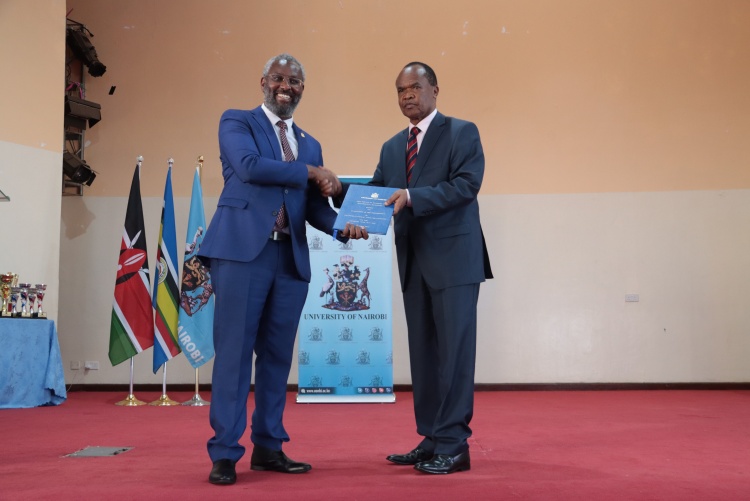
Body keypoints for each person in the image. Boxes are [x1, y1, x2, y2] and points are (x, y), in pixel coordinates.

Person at [199, 53, 366, 486]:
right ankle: (225, 452)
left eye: (294, 81)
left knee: (276, 357)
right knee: (234, 354)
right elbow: (250, 168)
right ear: (263, 82)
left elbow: (313, 206)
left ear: (302, 89)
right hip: (241, 255)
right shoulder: (237, 122)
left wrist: (342, 227)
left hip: (289, 260)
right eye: (277, 78)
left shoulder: (310, 144)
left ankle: (269, 446)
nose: (285, 87)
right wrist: (310, 171)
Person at [334, 61, 492, 474]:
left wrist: (412, 197)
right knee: (424, 355)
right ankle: (432, 437)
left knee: (454, 355)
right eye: (401, 90)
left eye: (415, 87)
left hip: (455, 263)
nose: (407, 95)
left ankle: (454, 445)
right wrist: (338, 190)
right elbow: (377, 193)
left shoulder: (461, 132)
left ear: (434, 90)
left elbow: (466, 185)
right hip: (413, 263)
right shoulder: (392, 147)